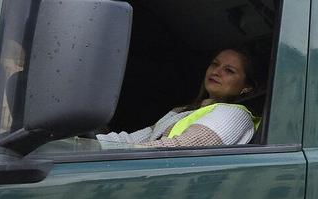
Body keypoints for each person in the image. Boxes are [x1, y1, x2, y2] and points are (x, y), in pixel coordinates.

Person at [98, 46, 266, 150]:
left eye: (229, 70)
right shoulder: (182, 111)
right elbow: (128, 141)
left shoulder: (234, 115)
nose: (216, 71)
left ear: (247, 87)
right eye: (215, 64)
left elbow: (181, 148)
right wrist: (85, 144)